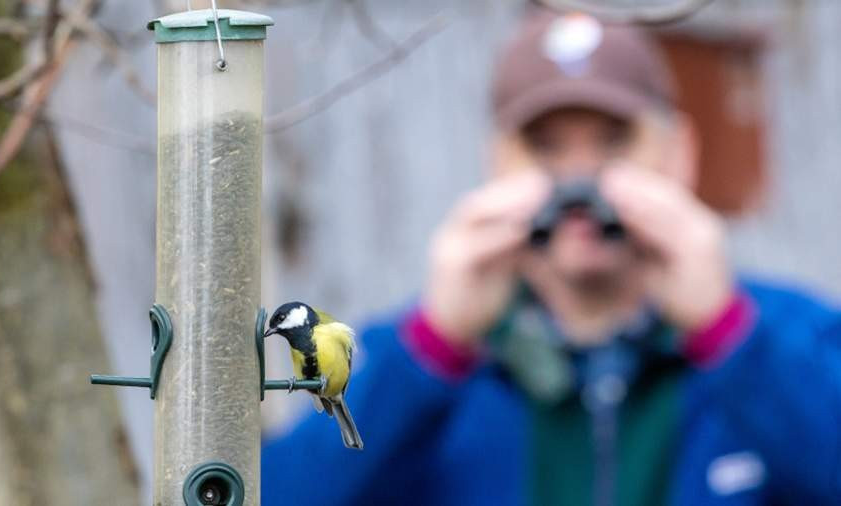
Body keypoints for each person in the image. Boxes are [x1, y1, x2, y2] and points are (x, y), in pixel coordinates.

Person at [263, 9, 841, 506]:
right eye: (545, 147)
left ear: (678, 154)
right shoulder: (426, 362)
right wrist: (429, 351)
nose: (578, 179)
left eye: (613, 141)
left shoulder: (787, 336)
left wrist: (730, 338)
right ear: (496, 164)